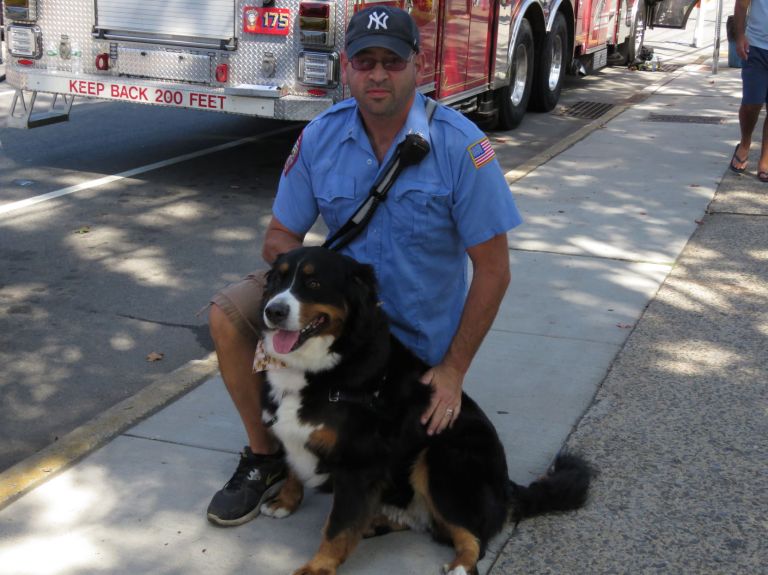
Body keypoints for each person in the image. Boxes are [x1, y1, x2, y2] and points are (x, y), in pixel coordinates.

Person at [205, 6, 523, 526]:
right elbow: (279, 238)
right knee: (228, 314)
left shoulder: (462, 146)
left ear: (417, 65)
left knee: (382, 466)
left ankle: (349, 465)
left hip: (411, 339)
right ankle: (265, 458)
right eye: (365, 61)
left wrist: (453, 371)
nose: (378, 74)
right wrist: (312, 290)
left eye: (392, 62)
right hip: (337, 318)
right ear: (346, 68)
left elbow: (494, 269)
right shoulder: (320, 136)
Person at [730, 0, 768, 182]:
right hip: (756, 47)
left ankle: (766, 158)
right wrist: (739, 37)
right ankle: (745, 142)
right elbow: (741, 5)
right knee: (752, 104)